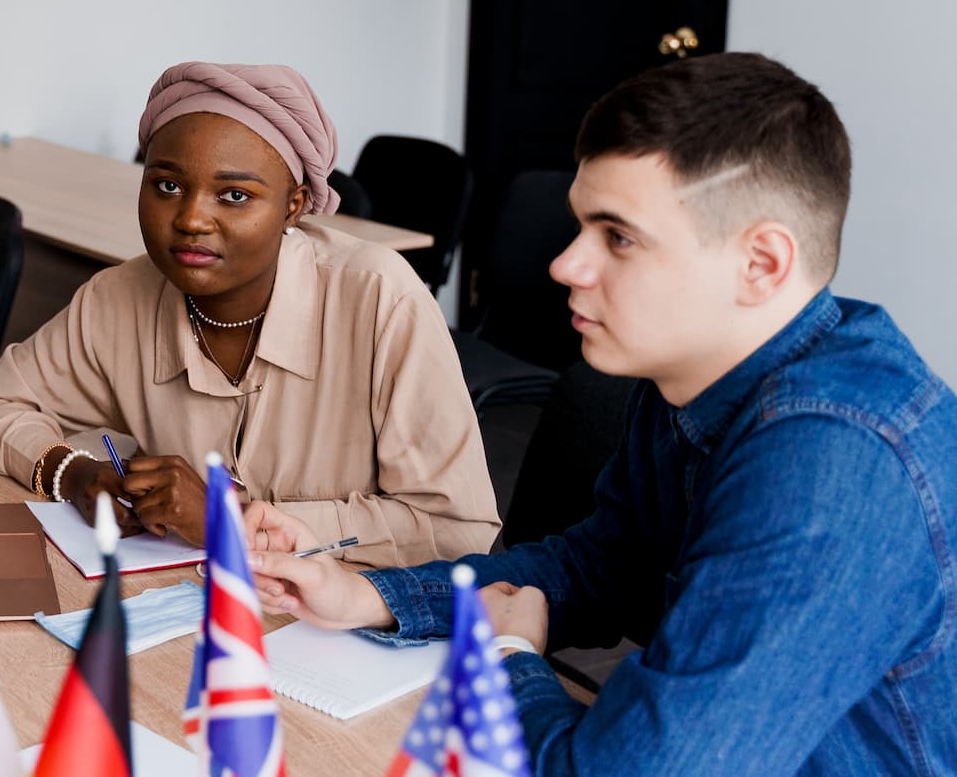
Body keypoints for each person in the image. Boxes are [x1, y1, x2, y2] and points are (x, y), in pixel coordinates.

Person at [246, 54, 957, 775]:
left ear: (762, 264)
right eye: (582, 225)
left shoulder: (834, 466)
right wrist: (367, 595)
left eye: (618, 236)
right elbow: (602, 561)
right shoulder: (691, 374)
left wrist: (506, 657)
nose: (565, 265)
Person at [0, 61, 499, 566]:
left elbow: (457, 529)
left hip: (340, 632)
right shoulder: (117, 297)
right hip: (185, 609)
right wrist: (72, 474)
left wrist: (232, 523)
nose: (191, 218)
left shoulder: (380, 300)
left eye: (234, 195)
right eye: (167, 186)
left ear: (293, 204)